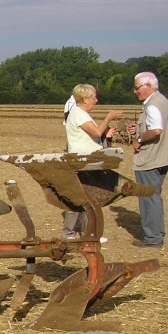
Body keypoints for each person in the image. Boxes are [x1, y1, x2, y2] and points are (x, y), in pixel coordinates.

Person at [62, 83, 121, 240]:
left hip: (86, 160)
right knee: (81, 198)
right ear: (85, 99)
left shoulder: (80, 114)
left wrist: (106, 136)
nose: (96, 100)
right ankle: (72, 233)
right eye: (94, 97)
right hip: (82, 162)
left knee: (87, 198)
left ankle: (87, 233)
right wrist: (109, 117)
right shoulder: (79, 114)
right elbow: (96, 131)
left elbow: (93, 135)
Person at [128, 72, 168, 247]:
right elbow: (154, 126)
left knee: (148, 197)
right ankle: (157, 234)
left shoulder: (152, 105)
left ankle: (153, 238)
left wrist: (139, 139)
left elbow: (156, 130)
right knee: (155, 196)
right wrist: (140, 128)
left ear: (148, 86)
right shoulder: (161, 100)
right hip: (162, 158)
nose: (135, 91)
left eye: (137, 87)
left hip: (150, 159)